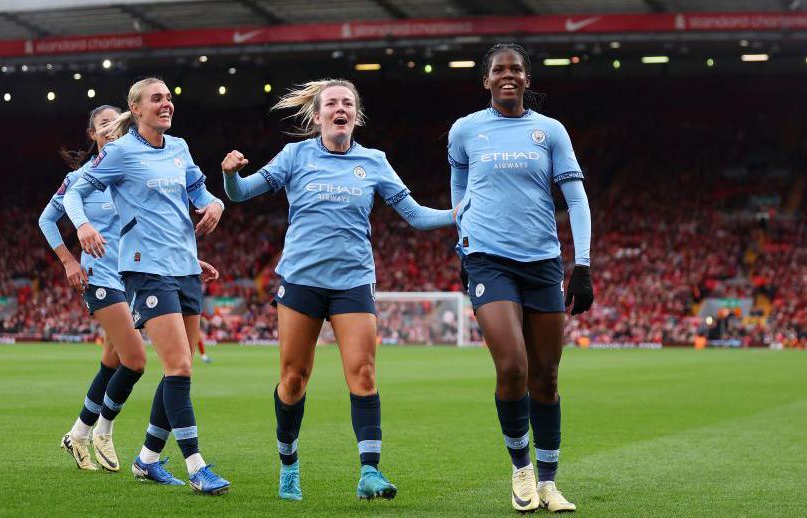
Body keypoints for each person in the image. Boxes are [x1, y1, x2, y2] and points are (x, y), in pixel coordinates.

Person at [221, 79, 455, 502]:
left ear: (356, 115)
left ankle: (370, 472)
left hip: (353, 283)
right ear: (318, 116)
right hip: (301, 282)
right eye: (332, 103)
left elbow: (416, 217)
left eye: (347, 102)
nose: (340, 108)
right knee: (293, 380)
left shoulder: (375, 161)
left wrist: (460, 214)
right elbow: (241, 194)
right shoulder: (296, 155)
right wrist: (230, 175)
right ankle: (289, 465)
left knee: (363, 374)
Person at [63, 77, 230, 494]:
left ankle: (148, 459)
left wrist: (216, 203)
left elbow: (198, 191)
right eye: (157, 98)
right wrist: (82, 225)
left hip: (185, 267)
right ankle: (196, 466)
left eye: (170, 97)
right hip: (145, 269)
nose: (166, 103)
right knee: (177, 366)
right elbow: (74, 194)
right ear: (135, 109)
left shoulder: (180, 148)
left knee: (183, 367)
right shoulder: (120, 152)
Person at [448, 43, 593, 513]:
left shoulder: (549, 131)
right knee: (512, 366)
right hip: (489, 261)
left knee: (546, 377)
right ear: (486, 81)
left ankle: (549, 482)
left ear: (527, 79)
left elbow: (576, 200)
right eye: (498, 70)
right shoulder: (465, 131)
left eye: (515, 69)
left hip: (543, 264)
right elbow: (459, 190)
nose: (507, 75)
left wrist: (583, 265)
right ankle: (521, 470)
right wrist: (462, 239)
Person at [37, 105, 147, 473]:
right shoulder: (80, 178)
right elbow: (47, 218)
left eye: (117, 123)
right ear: (93, 135)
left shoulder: (131, 171)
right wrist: (69, 260)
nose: (112, 130)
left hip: (133, 274)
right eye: (104, 125)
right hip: (100, 277)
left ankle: (78, 434)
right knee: (136, 360)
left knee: (111, 362)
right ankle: (104, 430)